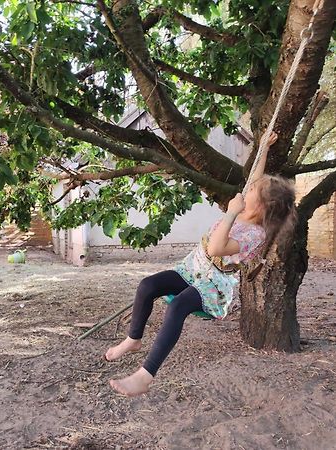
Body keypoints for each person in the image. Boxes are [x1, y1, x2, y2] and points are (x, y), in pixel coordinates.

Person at [105, 131, 297, 397]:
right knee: (148, 285)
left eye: (253, 190)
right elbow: (254, 177)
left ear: (262, 206)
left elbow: (218, 247)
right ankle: (133, 339)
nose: (248, 188)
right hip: (193, 268)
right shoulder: (247, 207)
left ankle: (144, 376)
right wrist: (263, 147)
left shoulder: (255, 234)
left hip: (212, 283)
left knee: (178, 307)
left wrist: (231, 212)